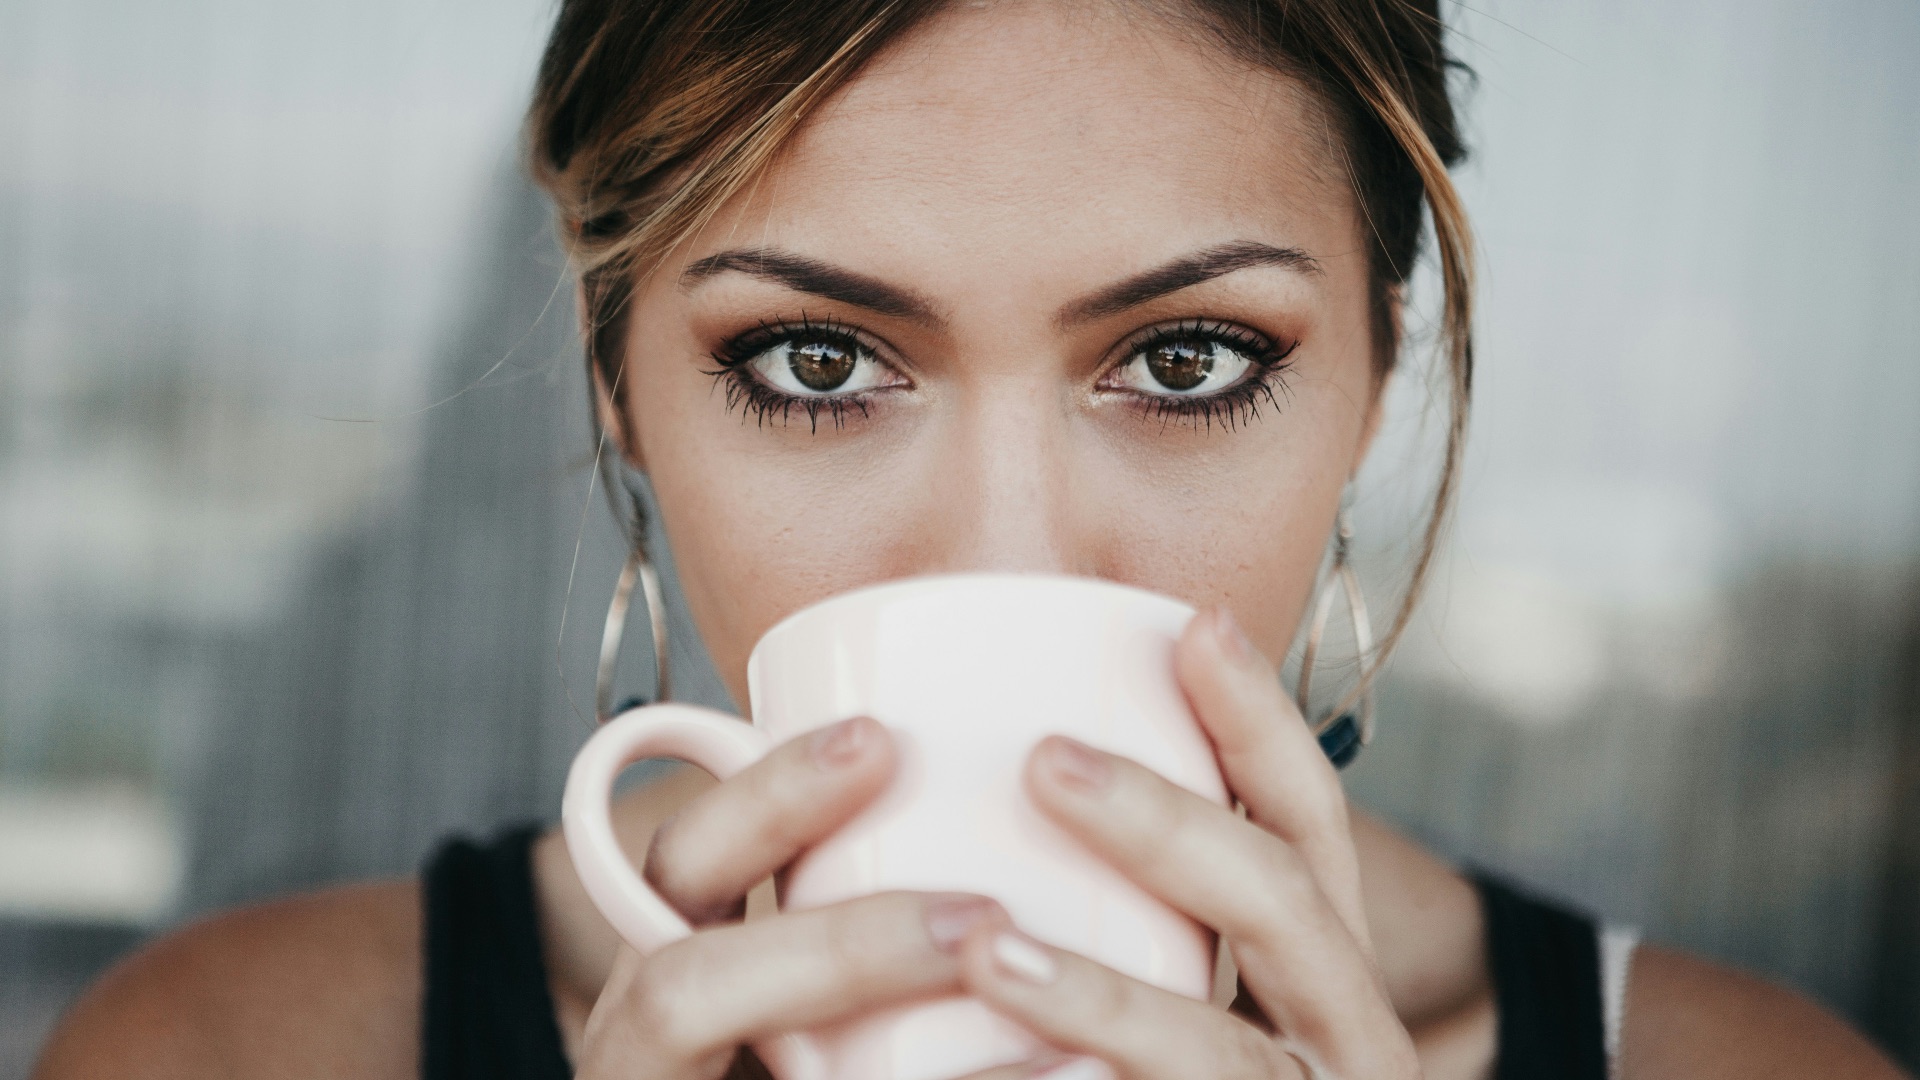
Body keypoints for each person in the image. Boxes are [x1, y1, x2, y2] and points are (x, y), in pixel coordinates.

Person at [33, 1, 1908, 1078]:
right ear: (615, 389)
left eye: (1185, 362)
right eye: (816, 359)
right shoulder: (231, 1051)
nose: (1005, 552)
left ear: (1377, 379)